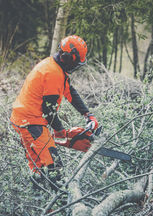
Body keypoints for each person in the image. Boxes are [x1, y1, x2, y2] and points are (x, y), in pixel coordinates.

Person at [10, 35, 98, 192]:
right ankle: (58, 205)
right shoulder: (52, 73)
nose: (76, 66)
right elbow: (49, 112)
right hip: (30, 122)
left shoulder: (55, 67)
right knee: (54, 165)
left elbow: (69, 91)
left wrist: (88, 115)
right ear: (67, 58)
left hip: (26, 118)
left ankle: (39, 204)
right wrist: (61, 132)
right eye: (75, 63)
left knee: (37, 165)